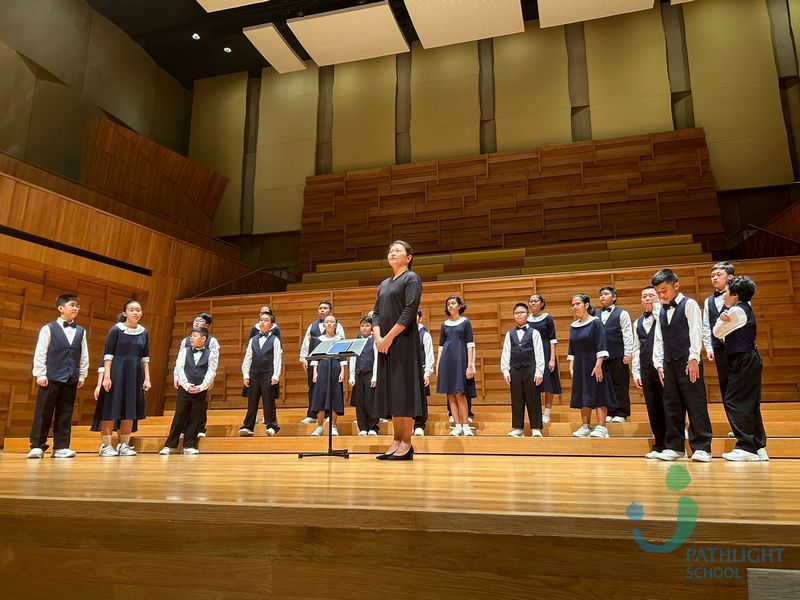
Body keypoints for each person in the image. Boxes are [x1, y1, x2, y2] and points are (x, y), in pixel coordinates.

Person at [651, 269, 713, 462]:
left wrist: (694, 358)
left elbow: (696, 331)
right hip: (668, 362)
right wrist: (658, 363)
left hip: (688, 361)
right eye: (658, 292)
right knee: (671, 405)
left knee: (695, 403)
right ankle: (675, 447)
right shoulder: (661, 309)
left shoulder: (690, 304)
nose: (661, 295)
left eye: (664, 290)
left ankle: (702, 448)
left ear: (676, 285)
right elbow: (659, 338)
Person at [373, 240, 425, 460]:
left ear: (408, 257)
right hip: (385, 345)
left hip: (403, 342)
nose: (392, 253)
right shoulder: (384, 283)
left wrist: (389, 337)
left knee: (404, 391)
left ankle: (406, 442)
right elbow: (376, 312)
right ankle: (396, 439)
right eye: (391, 251)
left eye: (398, 251)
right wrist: (378, 337)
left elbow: (409, 311)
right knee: (393, 392)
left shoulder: (411, 278)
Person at [28, 293, 89, 459]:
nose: (75, 308)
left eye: (77, 306)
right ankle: (37, 446)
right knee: (44, 411)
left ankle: (61, 447)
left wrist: (82, 374)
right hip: (50, 377)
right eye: (72, 305)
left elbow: (84, 354)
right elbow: (41, 352)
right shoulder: (48, 328)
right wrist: (40, 373)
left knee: (65, 413)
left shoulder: (81, 331)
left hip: (70, 377)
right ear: (61, 308)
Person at [714, 276, 768, 461]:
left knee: (734, 401)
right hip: (749, 359)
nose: (723, 295)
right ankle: (758, 446)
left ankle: (746, 447)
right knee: (750, 403)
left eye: (726, 292)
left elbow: (717, 332)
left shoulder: (736, 310)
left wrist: (721, 319)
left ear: (735, 295)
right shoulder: (744, 307)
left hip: (743, 360)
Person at [92, 300, 151, 457]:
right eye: (132, 310)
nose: (136, 312)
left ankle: (124, 444)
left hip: (134, 374)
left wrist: (147, 378)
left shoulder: (144, 332)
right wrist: (106, 377)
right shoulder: (116, 330)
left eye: (138, 309)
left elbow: (145, 358)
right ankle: (106, 446)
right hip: (116, 372)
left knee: (129, 409)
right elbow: (108, 355)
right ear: (125, 313)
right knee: (110, 408)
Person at [160, 327, 218, 455]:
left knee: (195, 417)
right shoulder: (184, 352)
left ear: (203, 338)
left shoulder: (211, 354)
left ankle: (189, 445)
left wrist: (201, 387)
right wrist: (186, 385)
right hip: (184, 389)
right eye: (191, 336)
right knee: (179, 416)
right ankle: (170, 445)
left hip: (200, 390)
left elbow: (211, 372)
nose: (191, 338)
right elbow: (179, 369)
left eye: (195, 336)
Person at [568, 294, 616, 438]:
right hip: (579, 365)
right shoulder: (573, 326)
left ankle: (602, 427)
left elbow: (601, 345)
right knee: (583, 393)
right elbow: (572, 349)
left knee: (599, 392)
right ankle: (586, 426)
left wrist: (598, 365)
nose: (575, 307)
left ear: (586, 305)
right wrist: (571, 366)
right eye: (573, 304)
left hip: (595, 363)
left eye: (577, 303)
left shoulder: (596, 323)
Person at [501, 303, 545, 437]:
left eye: (522, 312)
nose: (519, 314)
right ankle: (518, 428)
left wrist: (539, 371)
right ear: (513, 315)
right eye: (516, 313)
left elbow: (539, 353)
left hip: (530, 369)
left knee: (533, 398)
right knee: (516, 399)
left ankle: (536, 428)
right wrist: (505, 370)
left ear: (527, 314)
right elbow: (506, 352)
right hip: (515, 369)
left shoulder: (534, 332)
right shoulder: (510, 334)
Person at [632, 287, 666, 459]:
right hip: (646, 368)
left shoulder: (664, 316)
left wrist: (658, 310)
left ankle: (673, 443)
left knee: (668, 405)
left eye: (652, 295)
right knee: (652, 407)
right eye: (644, 296)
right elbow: (636, 348)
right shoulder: (637, 322)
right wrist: (636, 372)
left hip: (664, 368)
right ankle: (658, 444)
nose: (648, 298)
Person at [437, 295, 477, 437]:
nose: (450, 306)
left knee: (460, 393)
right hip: (447, 361)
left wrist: (470, 365)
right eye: (448, 304)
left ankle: (466, 426)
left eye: (453, 303)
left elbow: (470, 345)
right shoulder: (444, 325)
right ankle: (457, 425)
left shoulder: (466, 322)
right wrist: (438, 365)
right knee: (450, 394)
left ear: (459, 306)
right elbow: (441, 347)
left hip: (461, 360)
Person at [299, 301, 345, 424]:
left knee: (332, 387)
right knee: (314, 387)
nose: (322, 310)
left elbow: (342, 344)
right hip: (315, 361)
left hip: (332, 362)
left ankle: (329, 414)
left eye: (325, 308)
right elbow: (306, 342)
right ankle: (312, 414)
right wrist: (303, 358)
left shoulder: (338, 326)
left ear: (330, 310)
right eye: (320, 308)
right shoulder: (312, 325)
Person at [175, 312, 219, 439]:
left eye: (200, 321)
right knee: (183, 405)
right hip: (186, 376)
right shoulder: (185, 341)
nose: (197, 323)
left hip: (202, 376)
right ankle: (183, 430)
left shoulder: (212, 341)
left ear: (207, 326)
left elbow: (214, 361)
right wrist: (176, 376)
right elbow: (179, 361)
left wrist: (211, 379)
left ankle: (200, 428)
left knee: (200, 403)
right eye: (195, 321)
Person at [239, 311, 282, 437]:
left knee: (268, 400)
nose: (263, 322)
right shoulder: (253, 339)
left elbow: (277, 359)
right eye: (261, 320)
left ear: (272, 325)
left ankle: (272, 426)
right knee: (252, 400)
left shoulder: (275, 340)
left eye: (266, 320)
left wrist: (276, 375)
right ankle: (248, 426)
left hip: (268, 373)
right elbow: (248, 358)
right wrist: (246, 375)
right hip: (254, 373)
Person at [598, 286, 633, 423]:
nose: (602, 296)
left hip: (618, 354)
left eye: (605, 294)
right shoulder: (595, 314)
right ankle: (610, 411)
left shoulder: (622, 313)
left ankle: (621, 412)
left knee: (620, 384)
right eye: (601, 294)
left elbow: (627, 333)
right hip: (602, 356)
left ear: (614, 297)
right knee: (606, 385)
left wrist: (628, 353)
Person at [702, 262, 735, 401]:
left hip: (736, 346)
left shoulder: (738, 297)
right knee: (724, 382)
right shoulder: (708, 301)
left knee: (738, 382)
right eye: (712, 275)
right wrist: (709, 347)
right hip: (718, 348)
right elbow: (706, 326)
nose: (714, 278)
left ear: (730, 277)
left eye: (719, 274)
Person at [527, 294, 561, 425]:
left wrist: (552, 359)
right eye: (531, 301)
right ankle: (536, 412)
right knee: (534, 384)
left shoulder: (548, 318)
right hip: (532, 354)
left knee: (548, 384)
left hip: (546, 352)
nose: (533, 303)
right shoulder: (527, 319)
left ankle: (547, 413)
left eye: (535, 301)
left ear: (542, 303)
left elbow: (553, 340)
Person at [310, 314, 346, 436]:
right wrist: (315, 372)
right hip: (322, 368)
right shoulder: (319, 339)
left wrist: (342, 371)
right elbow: (315, 357)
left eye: (332, 321)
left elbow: (342, 357)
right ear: (324, 325)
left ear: (336, 324)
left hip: (335, 367)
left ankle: (333, 426)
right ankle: (319, 427)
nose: (329, 324)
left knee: (335, 396)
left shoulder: (340, 339)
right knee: (320, 396)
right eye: (327, 322)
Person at [349, 316, 379, 436]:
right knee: (360, 401)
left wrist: (375, 376)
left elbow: (376, 359)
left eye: (367, 325)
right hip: (359, 373)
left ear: (371, 327)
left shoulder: (374, 340)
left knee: (370, 401)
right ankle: (363, 427)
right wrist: (352, 376)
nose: (364, 328)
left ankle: (373, 427)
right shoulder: (357, 341)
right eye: (362, 326)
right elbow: (353, 359)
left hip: (370, 373)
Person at [414, 309, 435, 437]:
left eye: (415, 316)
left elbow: (429, 354)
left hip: (420, 370)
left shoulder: (424, 334)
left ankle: (419, 425)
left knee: (420, 399)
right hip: (407, 372)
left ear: (420, 318)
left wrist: (427, 372)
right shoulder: (404, 333)